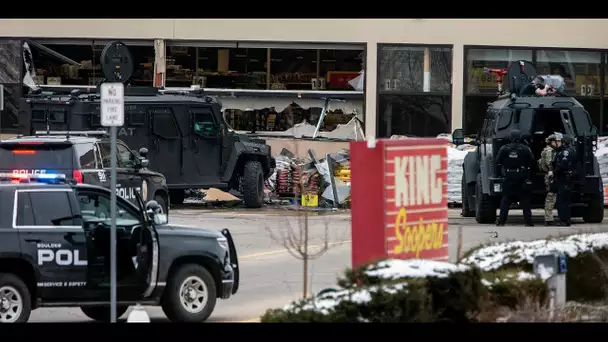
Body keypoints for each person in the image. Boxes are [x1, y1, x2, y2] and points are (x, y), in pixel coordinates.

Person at [496, 129, 535, 226]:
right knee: (525, 200)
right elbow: (532, 161)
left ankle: (501, 222)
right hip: (521, 175)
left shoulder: (504, 148)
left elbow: (498, 161)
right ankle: (528, 222)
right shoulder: (525, 148)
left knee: (505, 200)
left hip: (508, 176)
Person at [553, 134, 577, 226]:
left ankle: (564, 220)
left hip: (564, 178)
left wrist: (555, 171)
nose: (558, 143)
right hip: (568, 178)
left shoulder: (565, 152)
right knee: (565, 201)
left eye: (560, 142)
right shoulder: (572, 151)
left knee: (561, 201)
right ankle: (566, 219)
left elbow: (563, 165)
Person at [538, 134, 560, 226]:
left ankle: (549, 218)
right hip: (551, 176)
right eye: (556, 141)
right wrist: (552, 171)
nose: (558, 143)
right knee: (551, 196)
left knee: (551, 196)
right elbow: (550, 163)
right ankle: (549, 218)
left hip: (550, 175)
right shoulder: (549, 151)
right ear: (551, 142)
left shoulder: (548, 150)